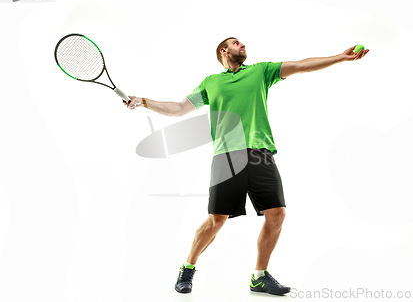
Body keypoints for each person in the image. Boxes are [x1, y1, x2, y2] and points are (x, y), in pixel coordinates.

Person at [124, 38, 369, 295]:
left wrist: (339, 57)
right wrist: (143, 101)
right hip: (226, 155)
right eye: (236, 43)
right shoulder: (211, 82)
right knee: (217, 220)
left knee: (277, 214)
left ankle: (259, 276)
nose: (243, 46)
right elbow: (178, 109)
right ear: (223, 50)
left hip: (260, 152)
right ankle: (188, 267)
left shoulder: (260, 71)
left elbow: (300, 66)